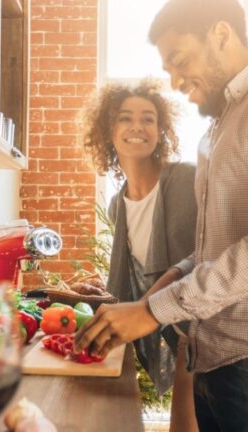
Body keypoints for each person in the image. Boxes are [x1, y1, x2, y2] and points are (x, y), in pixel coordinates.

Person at [75, 0, 248, 431]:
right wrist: (160, 288)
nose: (175, 81)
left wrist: (153, 311)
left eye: (180, 60)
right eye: (168, 69)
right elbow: (214, 250)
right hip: (216, 356)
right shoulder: (215, 132)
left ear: (221, 34)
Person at [80, 78, 198, 432]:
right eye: (125, 118)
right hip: (181, 334)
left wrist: (145, 306)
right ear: (108, 131)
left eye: (148, 118)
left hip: (206, 333)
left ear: (161, 130)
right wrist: (99, 293)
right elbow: (137, 278)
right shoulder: (118, 205)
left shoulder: (187, 179)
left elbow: (207, 254)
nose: (137, 126)